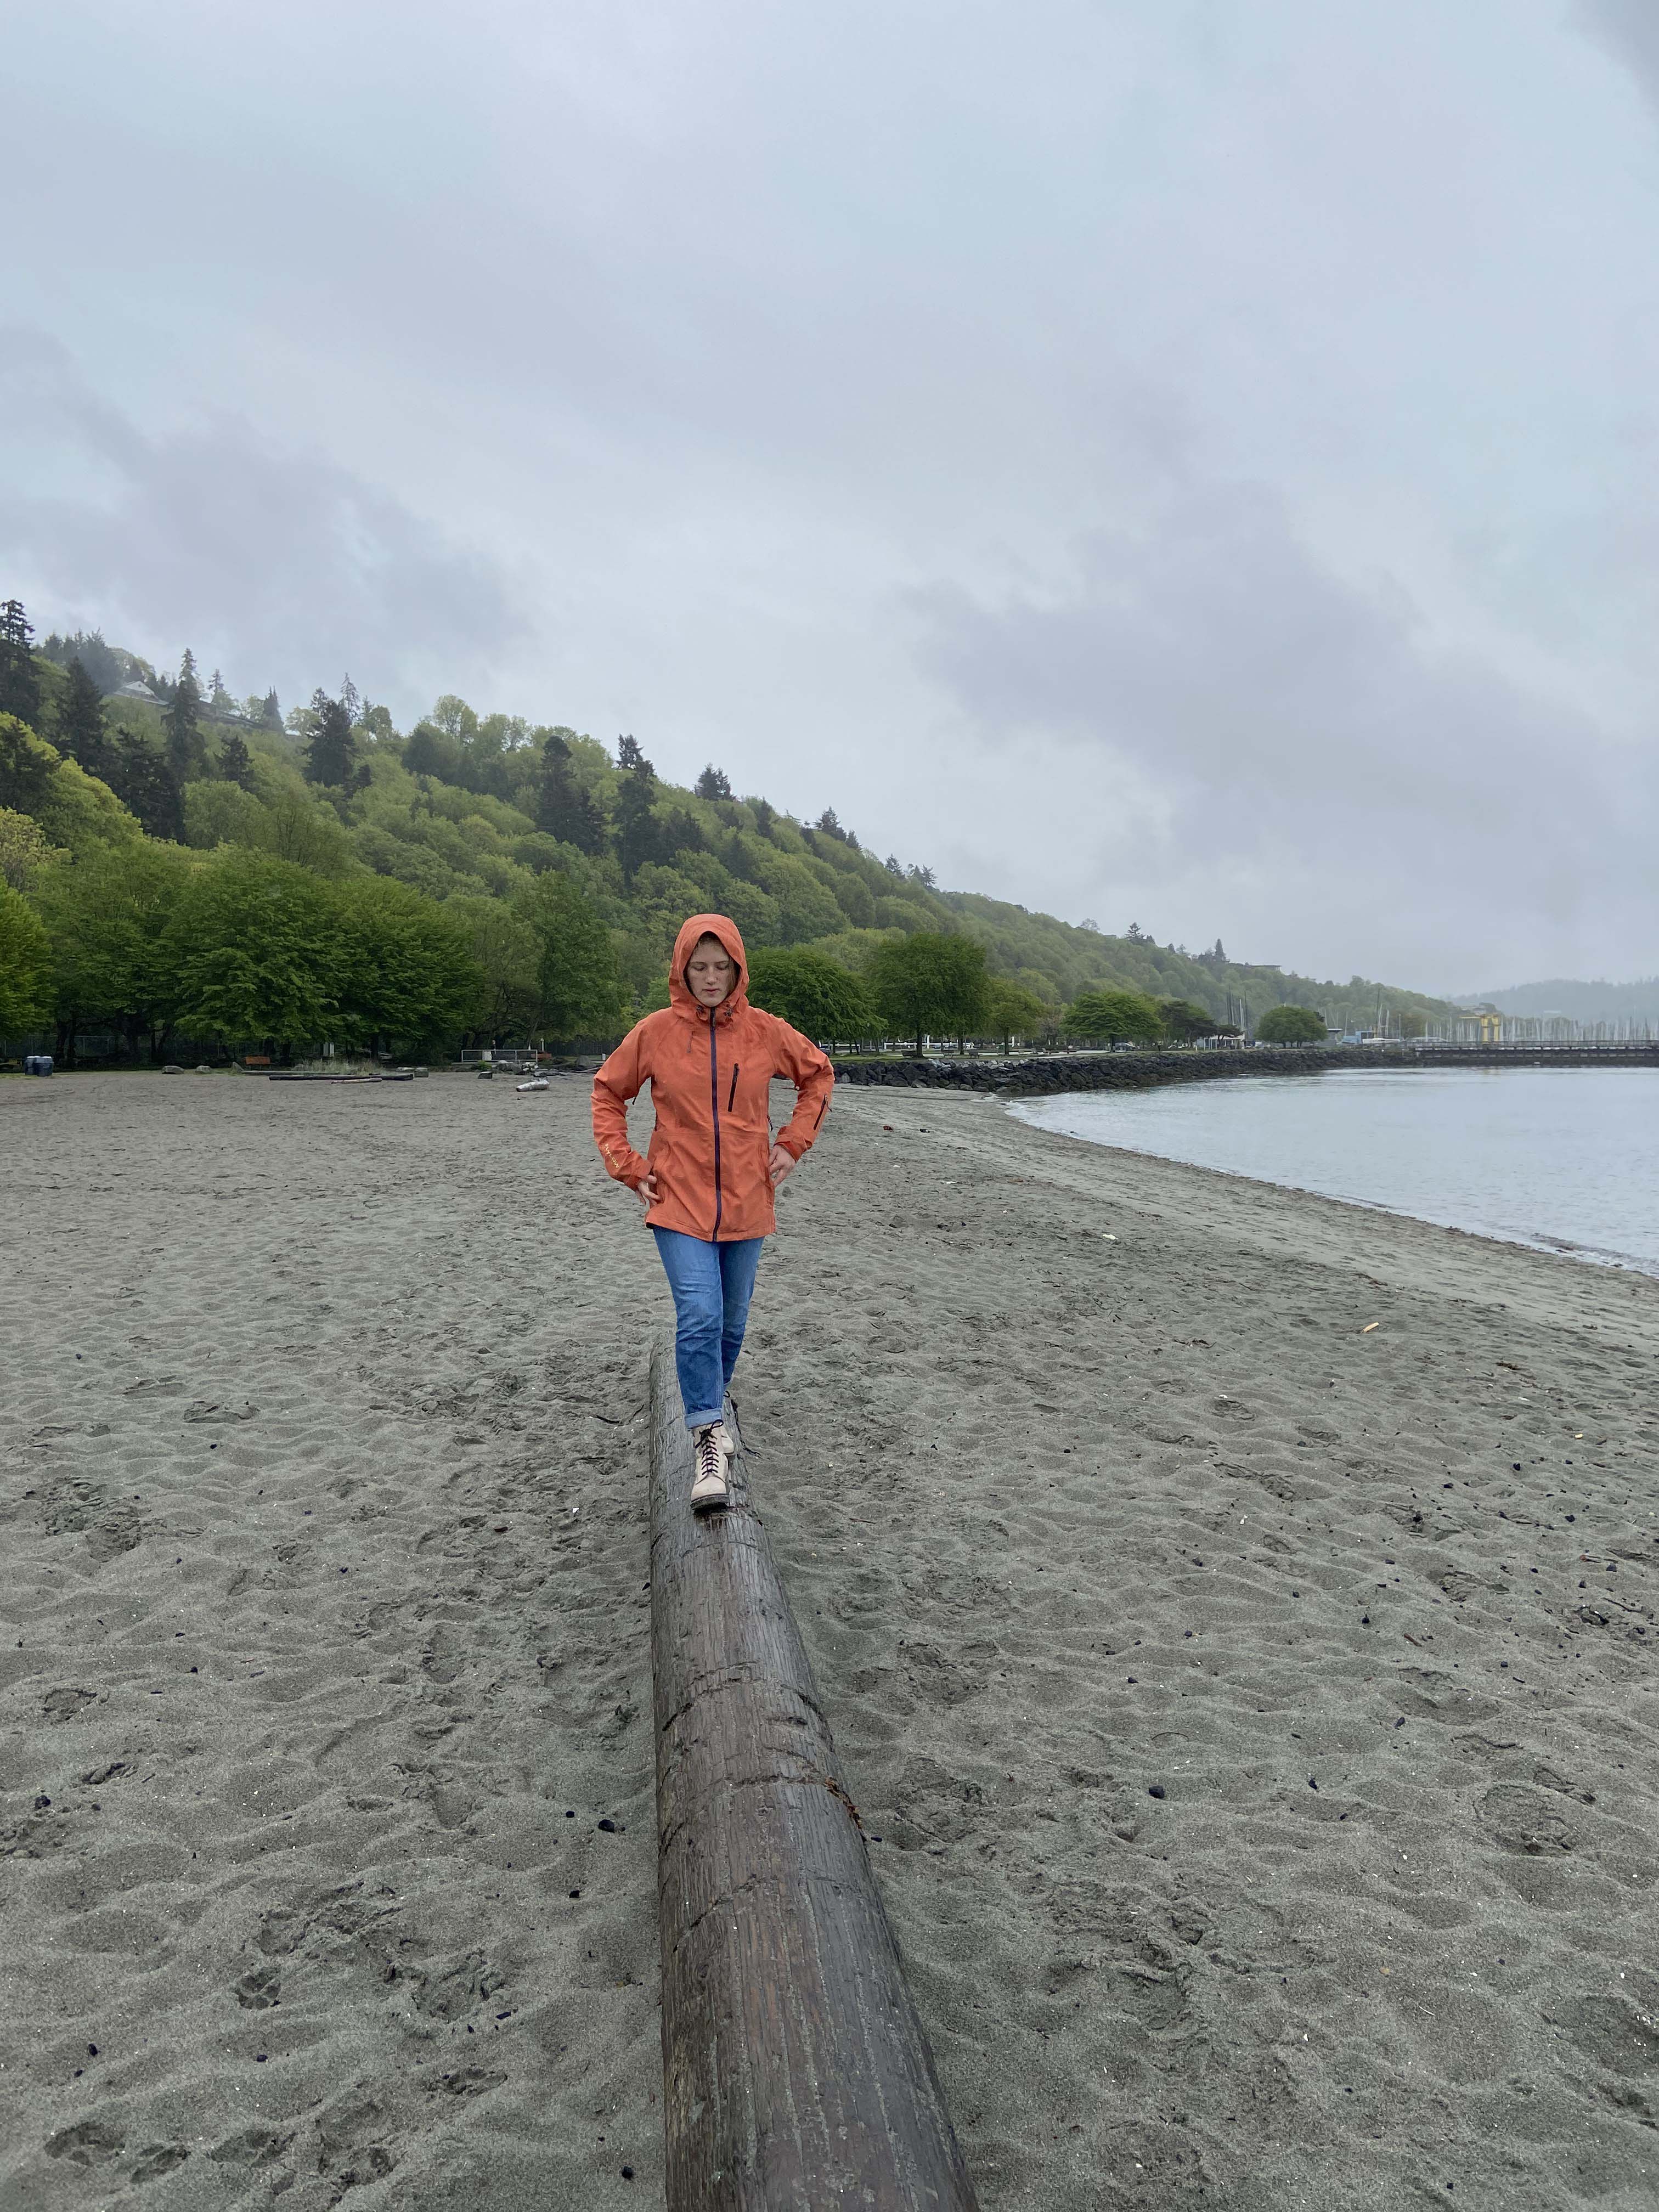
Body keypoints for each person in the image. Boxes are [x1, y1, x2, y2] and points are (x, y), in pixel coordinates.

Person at [591, 912, 834, 1511]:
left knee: (731, 1324)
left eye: (721, 967)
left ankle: (712, 1409)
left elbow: (818, 1075)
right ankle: (706, 1437)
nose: (709, 977)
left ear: (737, 969)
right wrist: (628, 1165)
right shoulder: (655, 1032)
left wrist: (792, 1143)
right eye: (698, 966)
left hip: (749, 1201)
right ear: (681, 968)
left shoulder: (765, 1032)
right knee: (700, 1313)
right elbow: (607, 1092)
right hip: (676, 1200)